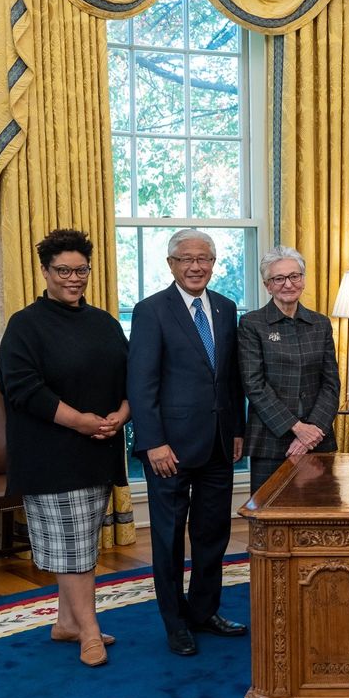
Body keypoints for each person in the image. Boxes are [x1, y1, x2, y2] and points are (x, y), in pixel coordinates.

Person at [0, 229, 129, 667]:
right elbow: (22, 389)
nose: (74, 278)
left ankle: (65, 621)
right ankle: (88, 629)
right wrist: (81, 421)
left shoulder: (104, 323)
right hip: (50, 453)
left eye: (81, 270)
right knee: (73, 548)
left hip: (97, 451)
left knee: (81, 542)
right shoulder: (25, 325)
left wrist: (122, 414)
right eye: (64, 270)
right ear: (45, 271)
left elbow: (131, 376)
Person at [127, 228, 246, 657]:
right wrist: (153, 442)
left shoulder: (226, 307)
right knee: (169, 537)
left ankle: (204, 612)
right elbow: (141, 383)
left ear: (214, 264)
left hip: (218, 445)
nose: (196, 266)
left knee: (213, 533)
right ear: (172, 265)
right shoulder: (151, 311)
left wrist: (236, 430)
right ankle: (175, 623)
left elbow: (229, 379)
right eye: (187, 259)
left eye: (205, 259)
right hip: (169, 451)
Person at [239, 245, 340, 491]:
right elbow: (254, 384)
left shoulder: (320, 323)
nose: (288, 284)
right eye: (279, 278)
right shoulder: (252, 323)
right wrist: (297, 428)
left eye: (294, 276)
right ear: (267, 285)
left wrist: (312, 431)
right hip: (271, 441)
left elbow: (331, 384)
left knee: (320, 517)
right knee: (269, 519)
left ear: (303, 280)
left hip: (318, 440)